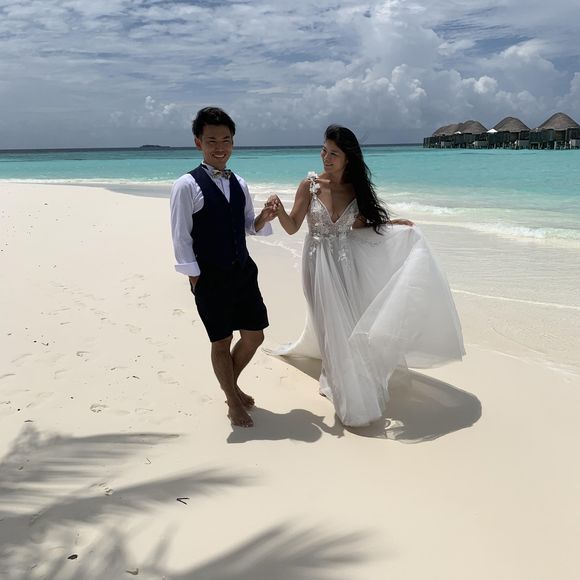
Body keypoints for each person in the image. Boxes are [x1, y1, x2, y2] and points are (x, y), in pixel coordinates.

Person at [265, 125, 465, 427]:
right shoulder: (310, 185)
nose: (326, 157)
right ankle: (334, 378)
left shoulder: (355, 189)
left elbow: (359, 228)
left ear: (348, 158)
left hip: (345, 263)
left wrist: (393, 225)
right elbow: (293, 226)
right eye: (324, 151)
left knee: (347, 321)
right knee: (325, 320)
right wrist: (279, 210)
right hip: (315, 262)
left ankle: (344, 374)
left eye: (334, 153)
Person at [170, 106, 277, 428]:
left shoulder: (239, 182)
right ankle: (232, 400)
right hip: (210, 275)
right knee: (221, 340)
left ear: (233, 142)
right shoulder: (186, 185)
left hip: (243, 271)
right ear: (198, 143)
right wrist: (193, 276)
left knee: (254, 336)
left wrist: (263, 218)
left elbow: (246, 226)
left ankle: (231, 386)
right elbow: (180, 235)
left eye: (226, 140)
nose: (220, 147)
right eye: (212, 140)